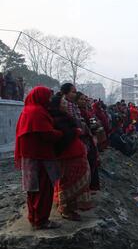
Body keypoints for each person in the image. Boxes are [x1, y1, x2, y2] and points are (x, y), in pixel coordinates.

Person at [15, 87, 63, 230]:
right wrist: (61, 133)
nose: (49, 100)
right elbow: (46, 134)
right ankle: (41, 220)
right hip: (40, 157)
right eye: (47, 97)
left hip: (32, 156)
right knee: (43, 190)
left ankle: (34, 218)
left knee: (33, 190)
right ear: (40, 97)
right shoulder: (36, 112)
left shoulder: (29, 110)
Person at [50, 93, 92, 221]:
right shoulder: (56, 119)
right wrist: (75, 132)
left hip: (75, 154)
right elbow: (62, 137)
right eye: (63, 103)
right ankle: (65, 209)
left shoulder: (65, 117)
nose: (66, 105)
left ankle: (70, 207)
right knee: (67, 182)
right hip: (67, 156)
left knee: (74, 181)